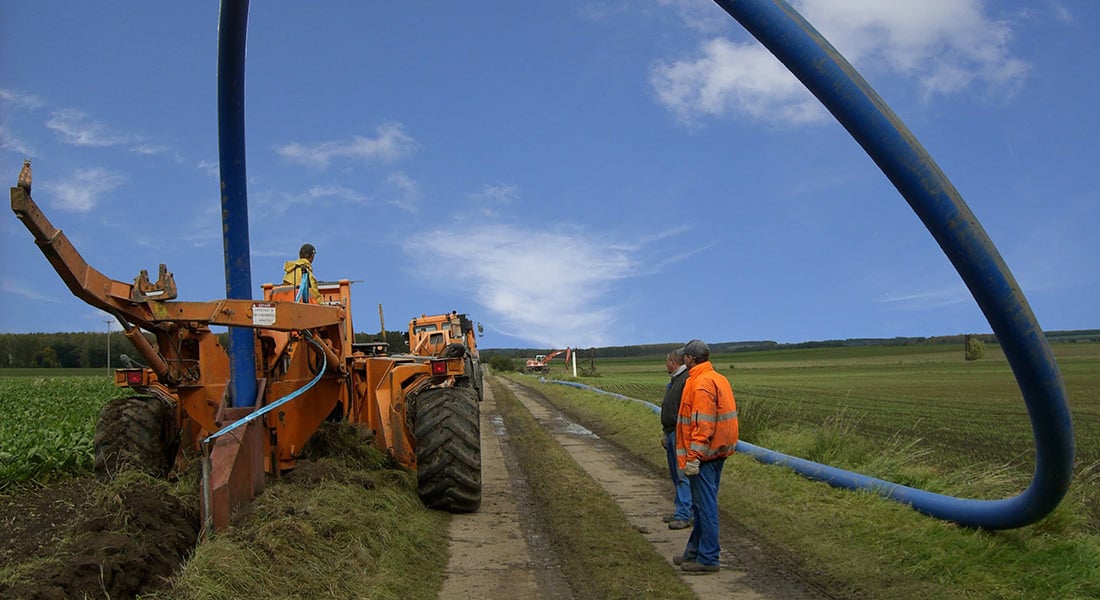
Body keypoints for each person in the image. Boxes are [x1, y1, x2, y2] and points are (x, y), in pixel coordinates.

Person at [674, 339, 739, 574]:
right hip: (717, 452)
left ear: (690, 359)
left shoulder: (700, 384)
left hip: (705, 457)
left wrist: (694, 457)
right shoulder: (717, 378)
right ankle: (694, 552)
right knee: (702, 506)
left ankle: (709, 558)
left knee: (705, 507)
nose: (683, 359)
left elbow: (703, 425)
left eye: (685, 356)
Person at [660, 347, 693, 530]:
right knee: (676, 474)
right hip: (672, 432)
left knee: (682, 475)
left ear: (673, 362)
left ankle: (684, 515)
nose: (665, 365)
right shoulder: (676, 380)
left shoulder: (685, 380)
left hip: (681, 434)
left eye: (666, 362)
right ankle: (682, 510)